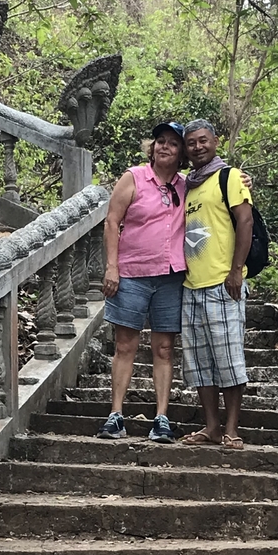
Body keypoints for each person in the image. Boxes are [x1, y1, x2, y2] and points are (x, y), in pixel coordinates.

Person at [97, 121, 187, 443]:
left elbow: (221, 189)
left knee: (164, 348)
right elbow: (111, 221)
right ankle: (115, 415)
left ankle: (161, 418)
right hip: (132, 274)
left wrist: (241, 180)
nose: (164, 147)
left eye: (173, 143)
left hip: (170, 278)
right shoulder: (133, 178)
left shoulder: (186, 185)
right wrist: (111, 267)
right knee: (125, 345)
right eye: (160, 141)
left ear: (181, 153)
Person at [180, 119, 253, 450]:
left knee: (228, 358)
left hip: (224, 283)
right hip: (190, 285)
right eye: (191, 142)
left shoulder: (230, 177)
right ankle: (210, 426)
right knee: (200, 362)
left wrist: (236, 270)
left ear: (215, 141)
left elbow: (245, 221)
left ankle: (232, 429)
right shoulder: (185, 185)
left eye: (203, 140)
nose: (197, 147)